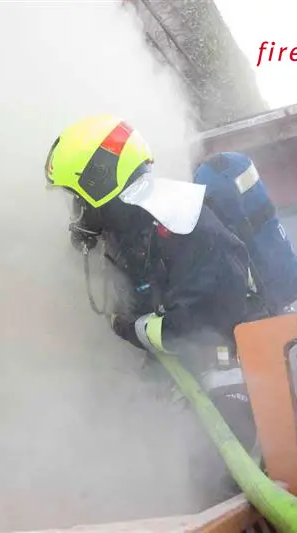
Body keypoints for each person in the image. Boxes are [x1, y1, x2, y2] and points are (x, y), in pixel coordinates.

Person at [44, 115, 258, 463]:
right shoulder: (136, 231)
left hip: (232, 378)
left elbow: (188, 328)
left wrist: (125, 326)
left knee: (214, 470)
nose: (77, 212)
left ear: (100, 183)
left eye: (78, 199)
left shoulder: (185, 221)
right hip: (190, 372)